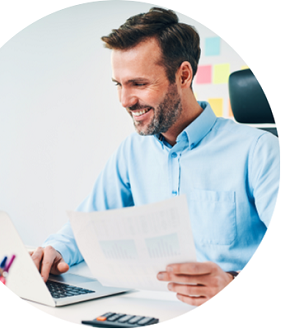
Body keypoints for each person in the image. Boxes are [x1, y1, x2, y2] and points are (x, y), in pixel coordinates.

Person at [30, 7, 279, 306]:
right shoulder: (132, 152)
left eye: (139, 84)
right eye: (119, 85)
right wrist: (55, 249)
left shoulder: (259, 152)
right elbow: (88, 224)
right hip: (154, 309)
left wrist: (233, 284)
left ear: (183, 75)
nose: (125, 100)